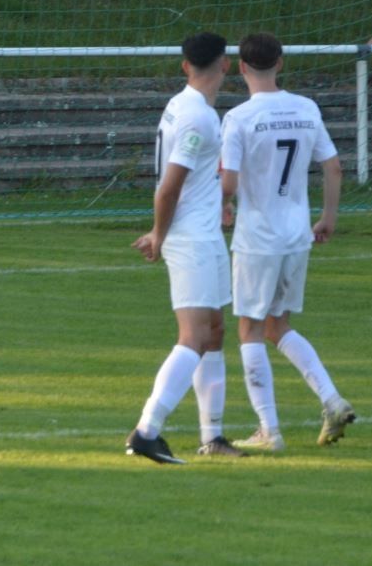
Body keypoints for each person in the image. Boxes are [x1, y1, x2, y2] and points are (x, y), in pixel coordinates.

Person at [220, 33, 355, 452]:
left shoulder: (239, 117)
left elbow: (228, 181)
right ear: (280, 63)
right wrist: (328, 217)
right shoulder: (306, 107)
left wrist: (223, 205)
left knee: (250, 328)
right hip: (297, 234)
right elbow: (333, 167)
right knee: (278, 325)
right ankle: (332, 399)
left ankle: (269, 430)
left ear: (242, 67)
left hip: (258, 237)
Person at [126, 32, 239, 464]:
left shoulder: (183, 105)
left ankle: (212, 436)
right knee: (194, 336)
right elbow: (170, 185)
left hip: (204, 233)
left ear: (185, 65)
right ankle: (147, 431)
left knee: (214, 330)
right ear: (225, 65)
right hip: (191, 238)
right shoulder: (198, 118)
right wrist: (159, 233)